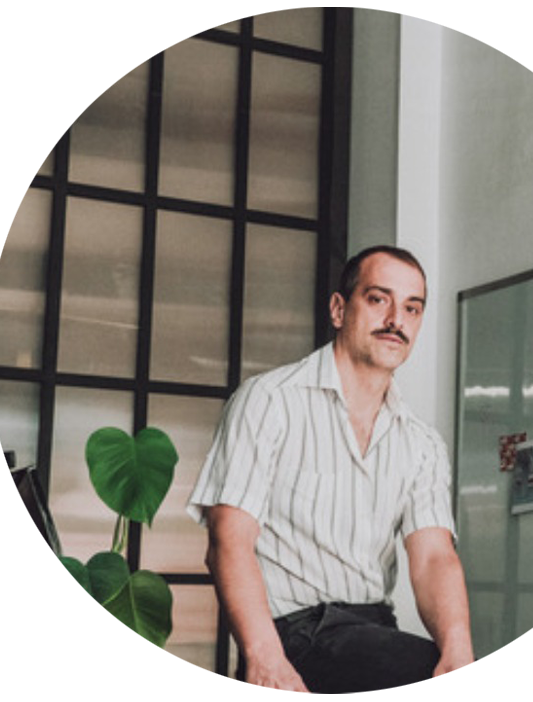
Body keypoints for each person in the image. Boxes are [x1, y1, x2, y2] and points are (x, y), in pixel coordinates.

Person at [187, 245, 474, 693]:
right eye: (378, 299)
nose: (396, 320)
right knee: (418, 675)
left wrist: (458, 652)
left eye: (412, 308)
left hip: (372, 632)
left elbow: (434, 558)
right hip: (295, 634)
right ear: (339, 310)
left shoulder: (422, 444)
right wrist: (266, 659)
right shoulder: (269, 401)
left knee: (459, 677)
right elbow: (228, 540)